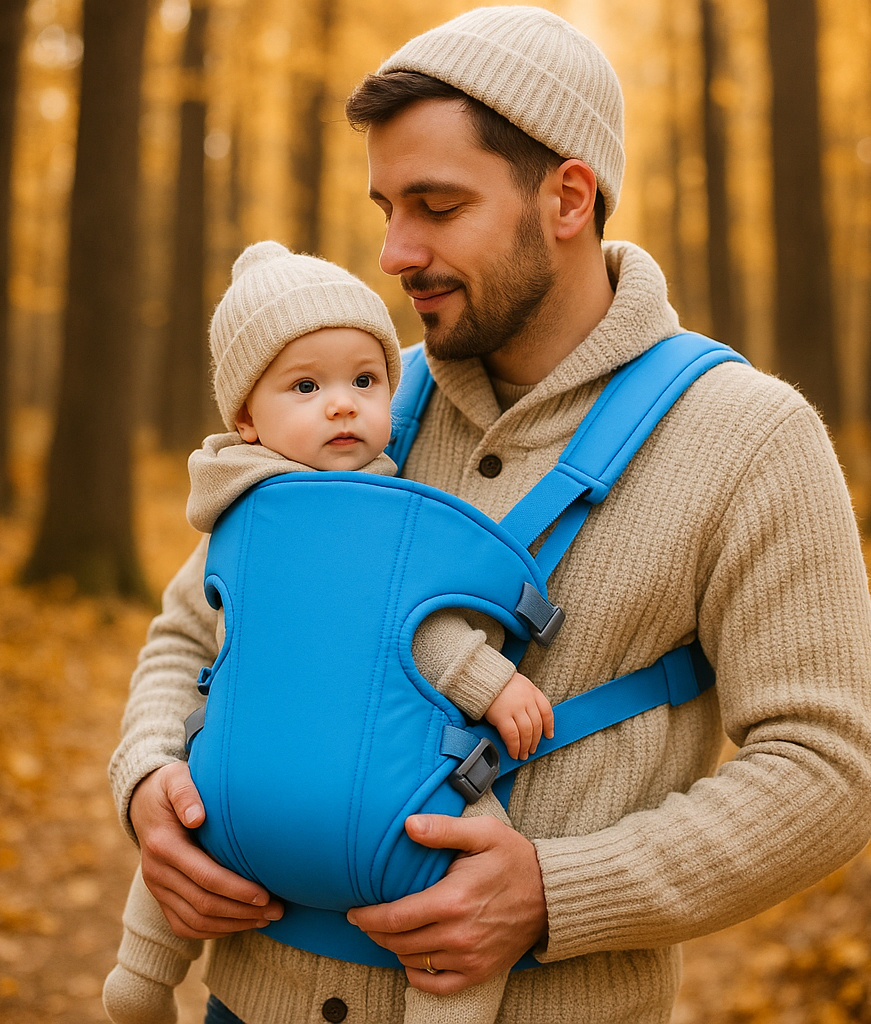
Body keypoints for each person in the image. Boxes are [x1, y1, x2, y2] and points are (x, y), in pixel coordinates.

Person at [109, 7, 871, 1024]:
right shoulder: (352, 407)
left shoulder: (748, 437)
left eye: (436, 206)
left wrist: (557, 892)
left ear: (568, 197)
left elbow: (825, 770)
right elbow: (191, 630)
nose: (394, 252)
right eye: (387, 207)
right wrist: (148, 783)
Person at [103, 243, 552, 1024]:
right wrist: (146, 774)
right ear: (246, 417)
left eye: (364, 381)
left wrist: (487, 681)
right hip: (242, 779)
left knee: (470, 862)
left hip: (351, 785)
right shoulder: (241, 517)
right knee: (185, 817)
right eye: (306, 386)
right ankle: (141, 978)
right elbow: (188, 633)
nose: (342, 405)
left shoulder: (385, 505)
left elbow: (408, 628)